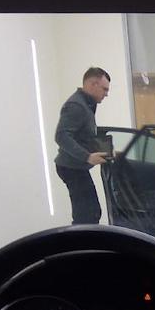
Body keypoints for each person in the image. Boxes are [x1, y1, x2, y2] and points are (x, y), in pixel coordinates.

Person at [55, 67, 111, 224]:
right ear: (93, 84)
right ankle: (80, 239)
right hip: (71, 168)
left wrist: (108, 152)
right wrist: (87, 157)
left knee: (91, 212)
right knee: (86, 215)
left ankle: (83, 237)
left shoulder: (87, 104)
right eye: (104, 89)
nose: (106, 94)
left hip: (76, 167)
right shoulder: (76, 106)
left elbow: (83, 137)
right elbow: (61, 136)